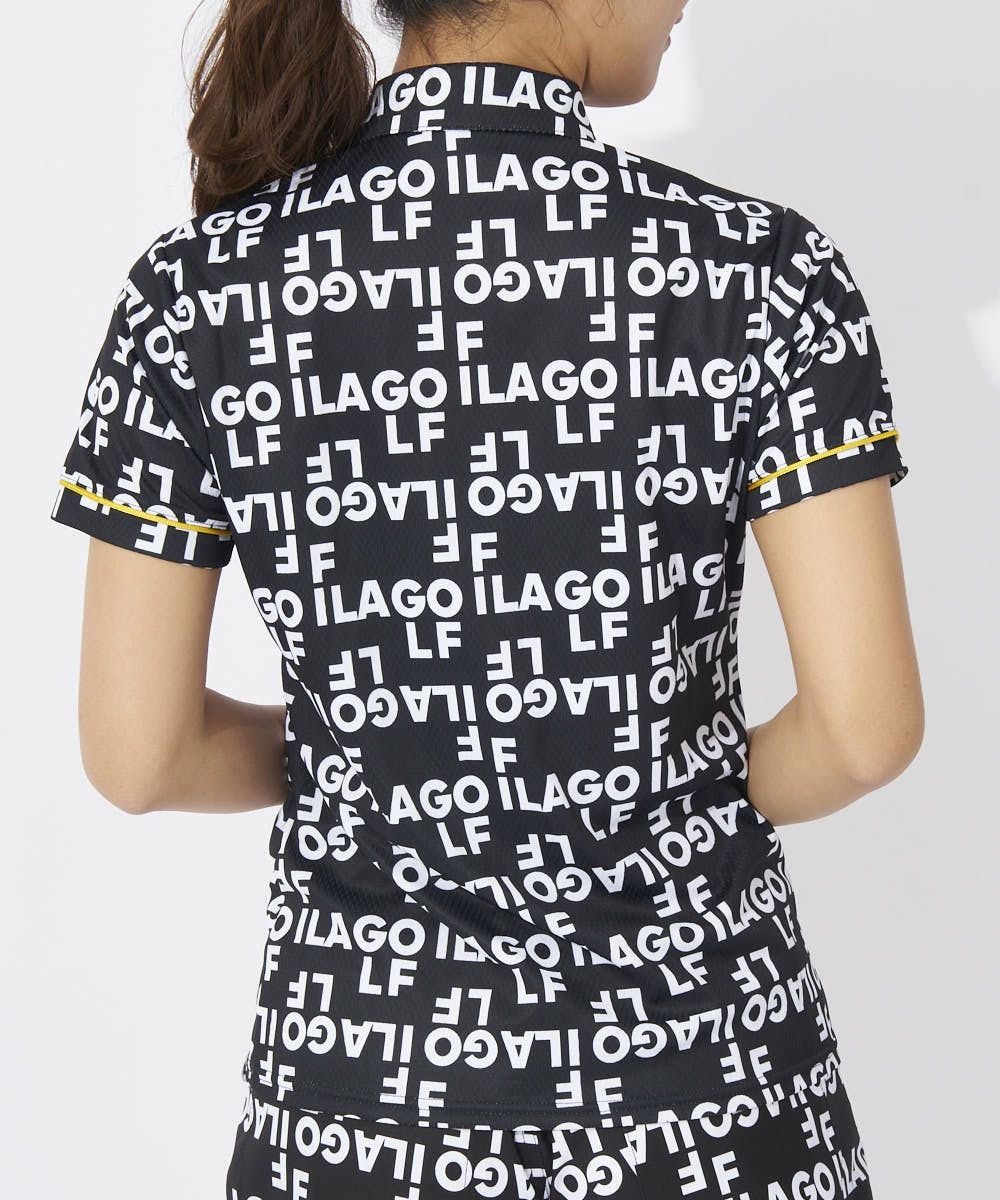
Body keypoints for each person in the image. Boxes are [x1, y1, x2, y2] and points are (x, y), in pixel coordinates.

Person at [49, 0, 923, 1195]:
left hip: (362, 1098)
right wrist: (668, 772)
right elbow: (864, 732)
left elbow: (140, 756)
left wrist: (391, 750)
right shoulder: (758, 273)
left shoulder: (192, 295)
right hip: (705, 1087)